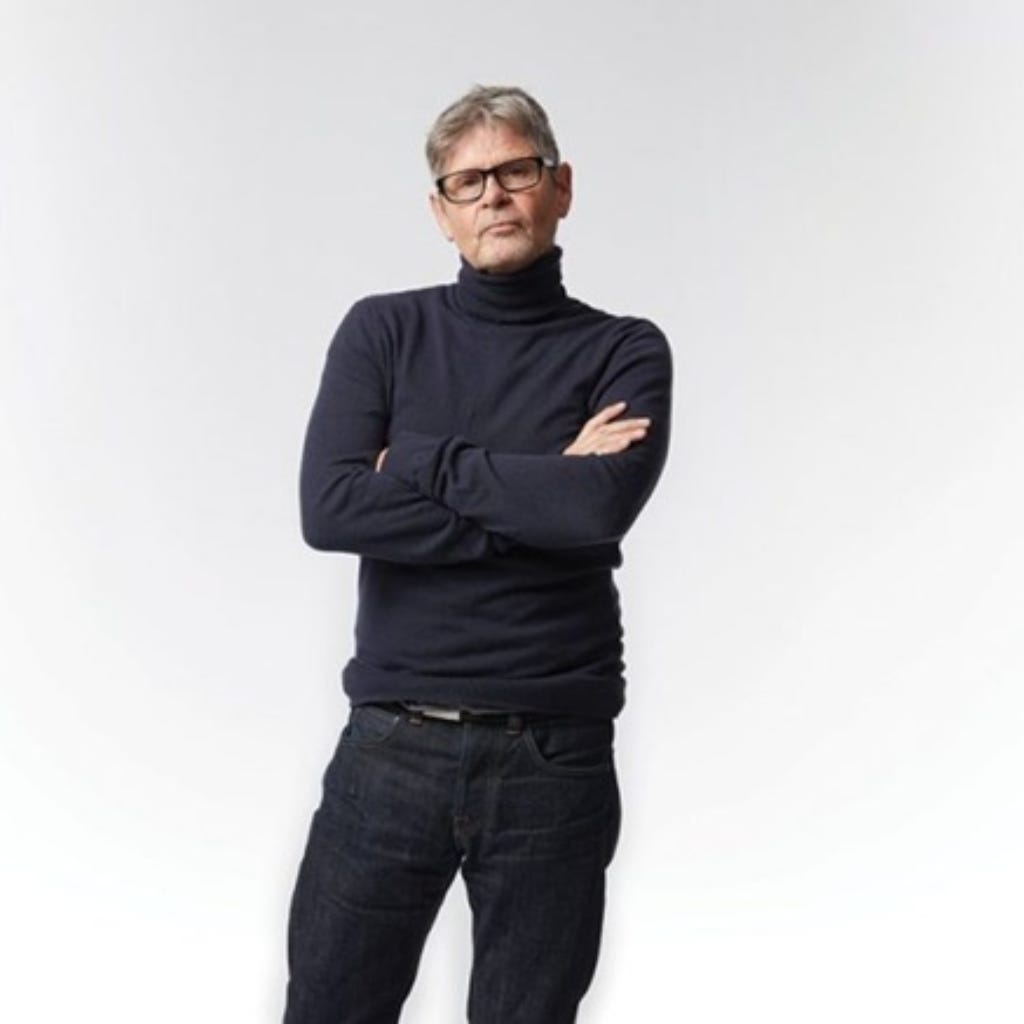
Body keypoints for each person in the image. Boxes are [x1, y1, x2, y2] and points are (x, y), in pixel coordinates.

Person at [284, 84, 672, 1024]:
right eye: (467, 181)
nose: (493, 194)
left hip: (553, 752)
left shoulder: (623, 350)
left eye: (516, 171)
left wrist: (417, 462)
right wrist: (538, 492)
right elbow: (331, 508)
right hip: (392, 742)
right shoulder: (384, 331)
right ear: (441, 211)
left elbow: (595, 507)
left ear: (560, 187)